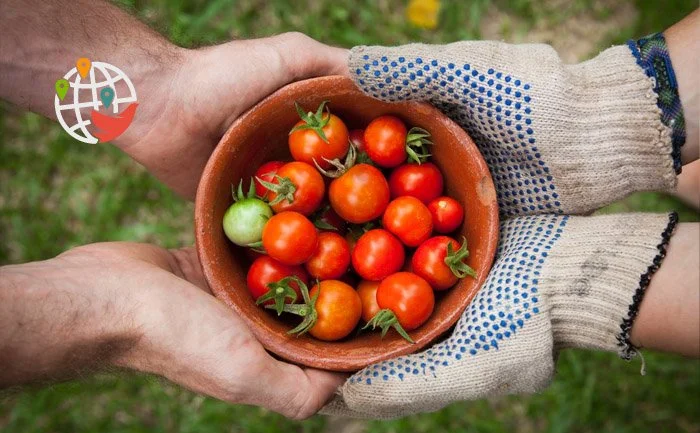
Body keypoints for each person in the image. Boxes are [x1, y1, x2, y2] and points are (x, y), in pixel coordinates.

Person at [0, 0, 697, 420]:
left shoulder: (328, 207)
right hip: (381, 253)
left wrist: (150, 97)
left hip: (385, 245)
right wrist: (110, 315)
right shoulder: (325, 235)